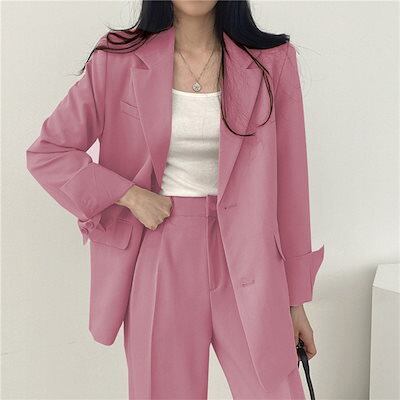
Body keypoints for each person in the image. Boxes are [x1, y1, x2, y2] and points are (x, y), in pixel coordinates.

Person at [26, 1, 325, 399]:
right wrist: (129, 195)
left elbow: (291, 186)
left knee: (275, 391)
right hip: (161, 250)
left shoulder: (273, 61)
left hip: (249, 255)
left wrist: (295, 301)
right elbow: (49, 152)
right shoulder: (118, 58)